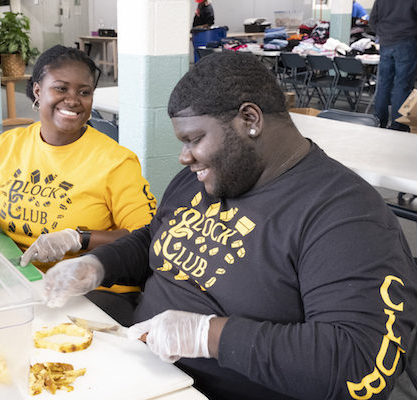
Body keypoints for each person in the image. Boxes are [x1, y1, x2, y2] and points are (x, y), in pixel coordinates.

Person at [43, 51, 417, 399]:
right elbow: (155, 237)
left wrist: (209, 336)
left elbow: (360, 365)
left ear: (249, 120)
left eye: (194, 139)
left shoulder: (344, 215)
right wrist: (98, 264)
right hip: (142, 364)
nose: (184, 156)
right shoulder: (208, 175)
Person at [0, 45, 157, 305]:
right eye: (61, 88)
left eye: (84, 92)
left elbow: (146, 236)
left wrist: (78, 238)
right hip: (22, 278)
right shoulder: (11, 144)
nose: (73, 99)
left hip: (88, 291)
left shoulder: (115, 161)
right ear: (38, 90)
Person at [371, 0, 417, 131]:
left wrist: (383, 33)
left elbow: (373, 19)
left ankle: (379, 120)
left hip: (386, 42)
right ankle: (398, 125)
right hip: (406, 41)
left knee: (383, 84)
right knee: (402, 86)